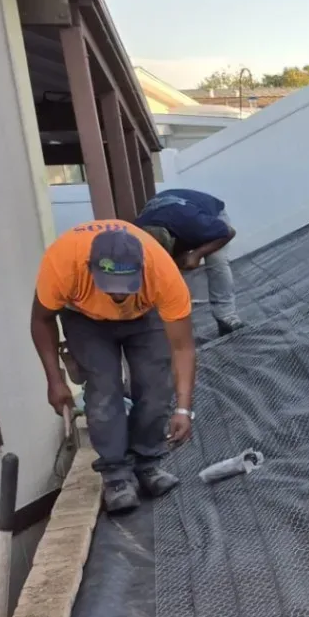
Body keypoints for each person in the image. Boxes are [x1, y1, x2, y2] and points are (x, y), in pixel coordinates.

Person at [30, 220, 196, 514]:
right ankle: (116, 475)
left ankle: (147, 462)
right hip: (84, 319)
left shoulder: (162, 273)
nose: (118, 296)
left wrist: (183, 409)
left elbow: (182, 347)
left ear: (142, 268)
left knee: (155, 385)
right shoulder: (63, 264)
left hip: (143, 316)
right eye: (111, 287)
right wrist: (54, 380)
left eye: (125, 286)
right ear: (90, 268)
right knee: (104, 388)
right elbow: (41, 320)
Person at [136, 187, 244, 334]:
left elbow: (229, 232)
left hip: (209, 215)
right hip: (172, 213)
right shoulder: (134, 233)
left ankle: (227, 317)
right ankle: (167, 326)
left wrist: (197, 254)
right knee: (165, 274)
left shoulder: (193, 223)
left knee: (216, 257)